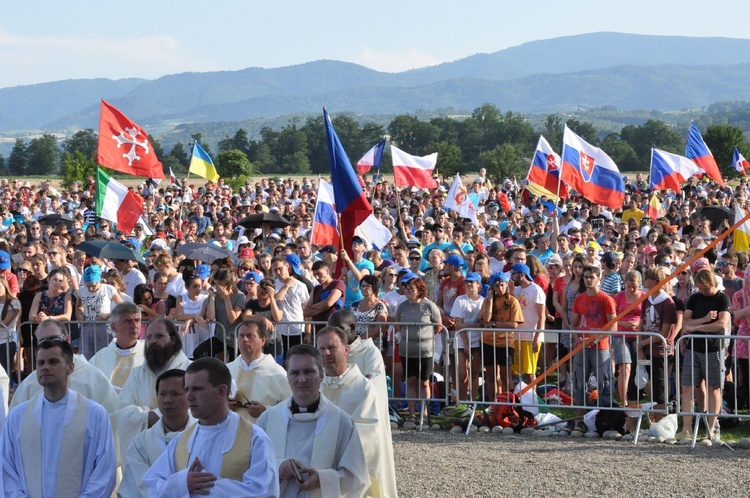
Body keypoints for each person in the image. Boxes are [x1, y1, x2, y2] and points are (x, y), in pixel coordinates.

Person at [144, 358, 279, 497]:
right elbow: (153, 485)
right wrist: (181, 483)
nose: (189, 396)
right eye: (187, 389)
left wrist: (209, 486)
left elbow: (265, 492)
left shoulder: (255, 438)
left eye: (197, 389)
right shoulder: (181, 440)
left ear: (221, 391)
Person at [0, 337, 116, 496]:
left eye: (53, 362)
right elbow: (6, 469)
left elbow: (105, 471)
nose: (45, 367)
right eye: (40, 363)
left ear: (70, 368)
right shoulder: (18, 416)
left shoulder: (95, 415)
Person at [255, 345, 369, 498]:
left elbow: (356, 478)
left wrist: (322, 480)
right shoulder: (268, 419)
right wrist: (278, 468)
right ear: (287, 376)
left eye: (308, 371)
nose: (302, 379)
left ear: (322, 375)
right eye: (295, 373)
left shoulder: (342, 422)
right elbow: (251, 469)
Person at [317, 326, 397, 498]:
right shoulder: (316, 386)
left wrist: (329, 445)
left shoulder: (363, 388)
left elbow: (367, 429)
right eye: (322, 349)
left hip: (353, 470)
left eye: (331, 348)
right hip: (319, 470)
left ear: (346, 349)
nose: (326, 353)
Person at [116, 318, 191, 463]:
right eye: (149, 337)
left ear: (173, 339)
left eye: (159, 336)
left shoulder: (190, 371)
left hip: (181, 450)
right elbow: (122, 411)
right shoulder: (137, 374)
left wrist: (159, 416)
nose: (153, 341)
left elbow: (199, 409)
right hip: (144, 453)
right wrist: (147, 417)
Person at [120, 369, 197, 498]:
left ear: (189, 395)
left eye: (175, 393)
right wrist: (179, 486)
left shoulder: (202, 436)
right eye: (162, 394)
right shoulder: (141, 443)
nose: (168, 400)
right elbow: (136, 487)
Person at [678, 269, 731, 441]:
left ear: (711, 284)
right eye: (700, 288)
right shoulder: (694, 298)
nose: (702, 291)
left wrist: (695, 328)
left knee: (713, 389)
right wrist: (704, 320)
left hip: (714, 349)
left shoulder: (722, 298)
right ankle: (686, 428)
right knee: (687, 387)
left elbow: (721, 324)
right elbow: (686, 322)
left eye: (705, 288)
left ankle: (712, 429)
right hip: (693, 348)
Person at [570, 265, 616, 431]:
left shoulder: (606, 299)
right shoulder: (579, 299)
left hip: (601, 347)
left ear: (599, 279)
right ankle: (579, 421)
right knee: (580, 384)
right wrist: (578, 339)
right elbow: (573, 324)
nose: (588, 280)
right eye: (586, 277)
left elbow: (613, 326)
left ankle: (606, 421)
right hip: (581, 347)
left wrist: (596, 340)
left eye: (592, 277)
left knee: (604, 384)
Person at [395, 273, 441, 422]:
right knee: (410, 381)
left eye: (411, 289)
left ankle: (425, 412)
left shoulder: (429, 305)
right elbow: (398, 325)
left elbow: (438, 325)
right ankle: (412, 413)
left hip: (425, 350)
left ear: (419, 290)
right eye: (406, 289)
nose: (407, 291)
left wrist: (425, 336)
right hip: (407, 350)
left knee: (424, 382)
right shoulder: (402, 307)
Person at [226, 320, 291, 422]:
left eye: (250, 336)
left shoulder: (276, 372)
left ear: (263, 341)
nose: (244, 339)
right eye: (241, 336)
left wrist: (266, 411)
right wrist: (224, 406)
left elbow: (289, 405)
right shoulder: (227, 370)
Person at [480, 272, 524, 400]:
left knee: (505, 375)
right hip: (488, 341)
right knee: (491, 376)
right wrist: (490, 300)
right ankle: (495, 403)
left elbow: (514, 324)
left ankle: (509, 403)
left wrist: (494, 324)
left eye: (502, 285)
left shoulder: (512, 301)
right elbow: (486, 319)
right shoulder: (487, 301)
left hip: (505, 342)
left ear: (506, 285)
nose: (500, 289)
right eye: (496, 286)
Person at [89, 301, 145, 390]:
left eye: (137, 320)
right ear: (114, 327)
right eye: (128, 321)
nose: (134, 326)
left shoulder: (149, 355)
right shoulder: (100, 358)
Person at [76, 265, 123, 359]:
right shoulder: (81, 291)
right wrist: (80, 314)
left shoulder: (108, 289)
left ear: (99, 280)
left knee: (104, 357)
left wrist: (107, 315)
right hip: (87, 327)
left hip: (104, 327)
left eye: (93, 285)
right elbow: (78, 307)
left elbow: (122, 306)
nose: (90, 289)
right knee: (86, 358)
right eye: (87, 286)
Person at [450, 272, 484, 402]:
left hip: (477, 341)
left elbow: (483, 324)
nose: (469, 284)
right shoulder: (460, 300)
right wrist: (466, 342)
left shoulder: (483, 301)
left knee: (475, 373)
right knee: (462, 374)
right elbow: (457, 324)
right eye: (467, 282)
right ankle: (462, 400)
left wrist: (469, 325)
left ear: (478, 284)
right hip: (461, 341)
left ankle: (473, 401)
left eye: (472, 282)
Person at [612, 271, 643, 408]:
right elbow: (612, 316)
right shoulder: (618, 297)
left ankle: (634, 398)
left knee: (637, 368)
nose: (631, 290)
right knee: (625, 367)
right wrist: (623, 323)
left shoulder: (644, 296)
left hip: (638, 335)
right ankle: (623, 401)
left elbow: (647, 315)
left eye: (634, 287)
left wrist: (638, 324)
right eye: (628, 286)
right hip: (621, 334)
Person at [511, 263, 545, 384]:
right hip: (517, 335)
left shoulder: (536, 290)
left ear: (521, 275)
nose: (511, 277)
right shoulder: (516, 289)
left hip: (530, 336)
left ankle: (532, 400)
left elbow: (542, 316)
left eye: (513, 274)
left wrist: (536, 337)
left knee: (529, 372)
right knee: (515, 370)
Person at [272, 255, 310, 356]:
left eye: (280, 268)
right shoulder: (274, 285)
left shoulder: (301, 286)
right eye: (275, 270)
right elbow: (275, 300)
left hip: (297, 328)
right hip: (281, 330)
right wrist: (286, 285)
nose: (279, 272)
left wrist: (308, 332)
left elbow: (306, 309)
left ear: (287, 266)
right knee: (283, 359)